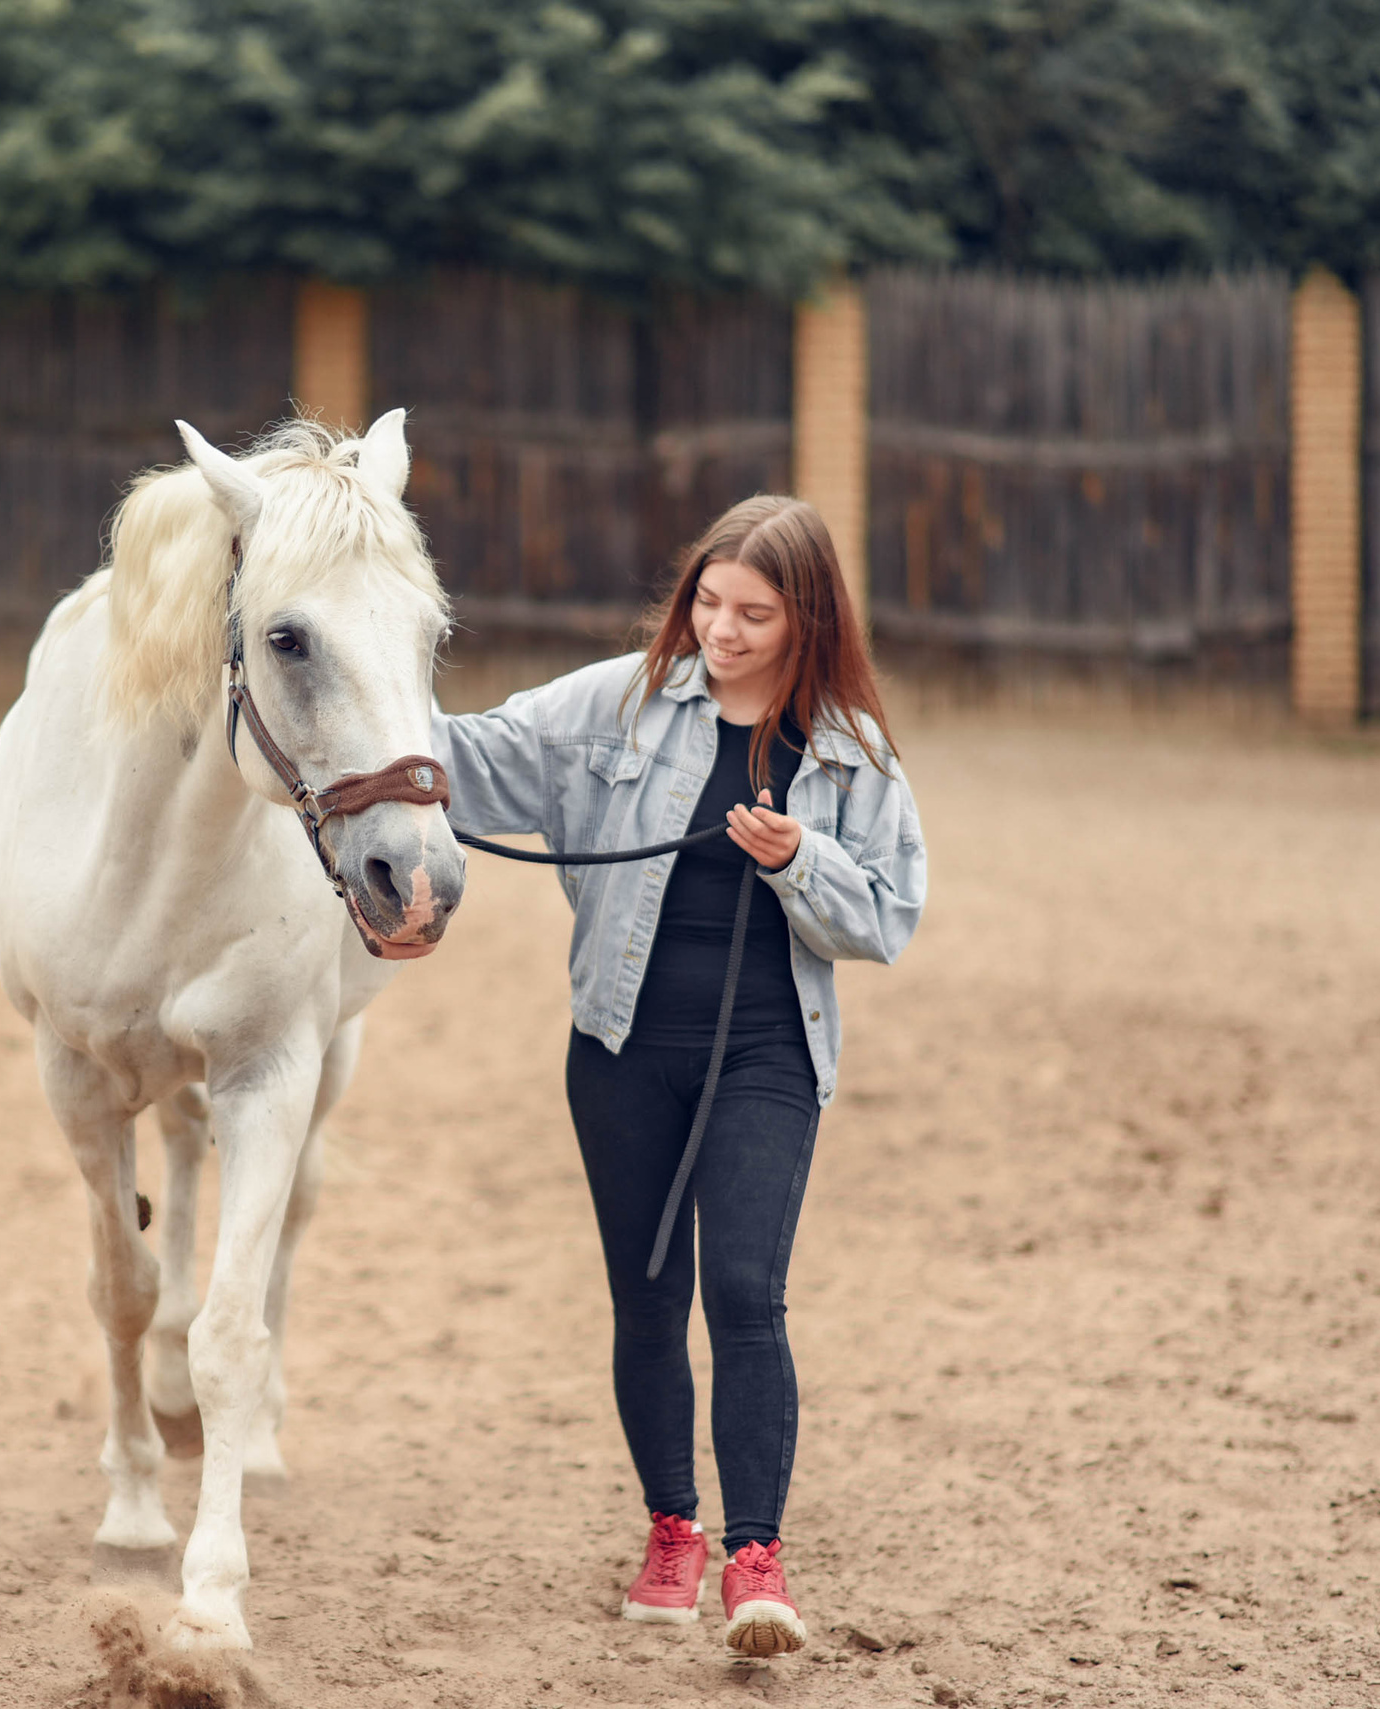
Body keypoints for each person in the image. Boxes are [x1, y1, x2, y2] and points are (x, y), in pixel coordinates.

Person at [432, 494, 927, 1658]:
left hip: (767, 1055)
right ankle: (672, 1529)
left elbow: (888, 915)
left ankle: (757, 1559)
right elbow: (470, 754)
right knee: (646, 1297)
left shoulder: (850, 750)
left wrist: (802, 859)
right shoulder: (620, 701)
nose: (721, 630)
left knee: (746, 1293)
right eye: (708, 602)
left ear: (807, 618)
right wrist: (342, 684)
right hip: (619, 1048)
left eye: (754, 613)